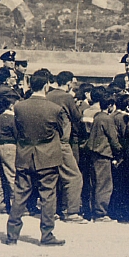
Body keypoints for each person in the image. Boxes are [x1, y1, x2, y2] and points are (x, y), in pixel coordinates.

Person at [7, 70, 67, 246]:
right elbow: (62, 131)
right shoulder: (55, 109)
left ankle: (12, 235)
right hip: (47, 157)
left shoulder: (19, 107)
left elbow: (17, 130)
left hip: (25, 155)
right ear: (46, 85)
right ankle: (47, 234)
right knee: (48, 196)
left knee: (20, 194)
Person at [47, 71, 86, 224]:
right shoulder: (67, 97)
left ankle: (53, 211)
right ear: (69, 83)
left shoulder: (48, 95)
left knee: (52, 177)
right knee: (74, 177)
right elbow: (77, 117)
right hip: (62, 142)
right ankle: (72, 212)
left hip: (47, 142)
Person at [84, 88, 121, 223]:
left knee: (94, 183)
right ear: (110, 105)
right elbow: (113, 139)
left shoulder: (97, 116)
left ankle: (93, 211)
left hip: (93, 154)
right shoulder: (107, 119)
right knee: (104, 185)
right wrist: (119, 151)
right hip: (103, 154)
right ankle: (100, 213)